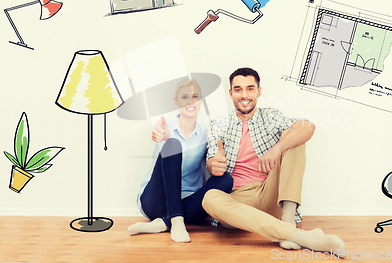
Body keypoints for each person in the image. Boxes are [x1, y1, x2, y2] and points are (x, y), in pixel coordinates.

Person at [202, 68, 347, 257]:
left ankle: (288, 219)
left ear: (258, 92)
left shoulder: (270, 116)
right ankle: (301, 236)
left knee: (294, 136)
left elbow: (307, 127)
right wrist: (214, 164)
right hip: (238, 201)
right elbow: (212, 158)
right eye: (238, 90)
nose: (244, 95)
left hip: (269, 193)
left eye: (250, 89)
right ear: (231, 93)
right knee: (209, 198)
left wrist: (276, 149)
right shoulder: (219, 123)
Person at [129, 78, 233, 243]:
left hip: (189, 202)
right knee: (173, 144)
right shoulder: (165, 126)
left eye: (195, 96)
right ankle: (176, 220)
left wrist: (216, 161)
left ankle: (164, 223)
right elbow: (160, 132)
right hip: (156, 201)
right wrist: (161, 135)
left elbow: (212, 161)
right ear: (176, 101)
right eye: (184, 97)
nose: (190, 101)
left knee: (226, 180)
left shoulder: (206, 134)